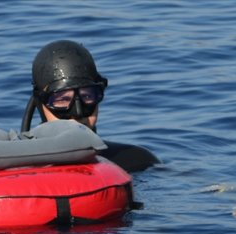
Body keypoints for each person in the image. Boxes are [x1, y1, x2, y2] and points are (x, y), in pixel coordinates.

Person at [21, 40, 159, 173]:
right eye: (62, 100)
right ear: (40, 102)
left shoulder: (136, 160)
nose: (78, 112)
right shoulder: (19, 167)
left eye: (87, 96)